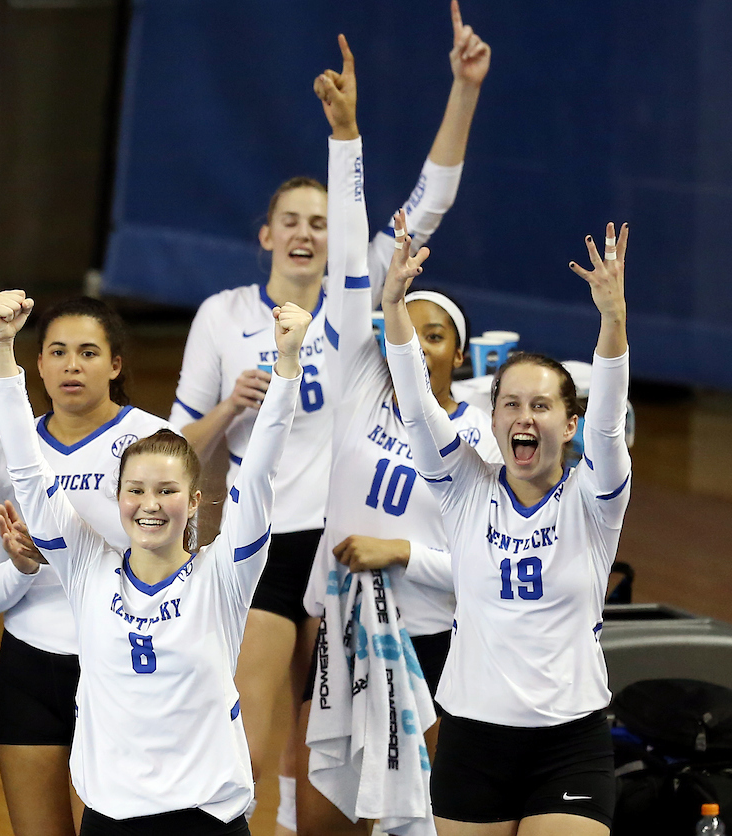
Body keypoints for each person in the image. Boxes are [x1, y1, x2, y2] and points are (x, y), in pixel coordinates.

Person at [167, 3, 490, 830]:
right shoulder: (224, 313)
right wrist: (228, 413)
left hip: (344, 537)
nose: (311, 233)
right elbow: (177, 446)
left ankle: (305, 815)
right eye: (295, 221)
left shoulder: (364, 297)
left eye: (323, 220)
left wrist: (462, 89)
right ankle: (249, 815)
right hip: (268, 536)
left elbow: (433, 197)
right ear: (267, 233)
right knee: (250, 700)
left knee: (331, 735)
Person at [0, 288, 307, 836]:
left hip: (206, 818)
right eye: (135, 489)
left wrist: (287, 365)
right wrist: (1, 347)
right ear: (118, 500)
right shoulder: (88, 568)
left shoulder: (223, 576)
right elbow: (27, 468)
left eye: (167, 489)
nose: (150, 504)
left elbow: (258, 473)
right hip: (111, 818)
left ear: (196, 500)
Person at [297, 27, 499, 833]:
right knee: (322, 816)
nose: (412, 338)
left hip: (429, 640)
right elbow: (353, 258)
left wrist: (403, 553)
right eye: (400, 323)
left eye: (434, 331)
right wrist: (345, 139)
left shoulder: (482, 433)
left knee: (414, 823)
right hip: (340, 623)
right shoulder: (358, 379)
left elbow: (486, 569)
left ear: (458, 352)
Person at [381, 217, 631, 835]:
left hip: (569, 740)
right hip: (473, 737)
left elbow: (607, 424)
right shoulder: (466, 488)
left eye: (541, 405)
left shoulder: (594, 500)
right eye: (510, 404)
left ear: (568, 425)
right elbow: (415, 403)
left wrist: (613, 320)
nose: (525, 416)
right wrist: (392, 306)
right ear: (491, 420)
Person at [0, 297, 174, 836]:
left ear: (116, 365)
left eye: (87, 353)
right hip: (27, 674)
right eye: (57, 352)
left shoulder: (156, 444)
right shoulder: (10, 450)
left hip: (121, 668)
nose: (71, 366)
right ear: (38, 366)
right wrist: (23, 567)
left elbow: (179, 574)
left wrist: (74, 540)